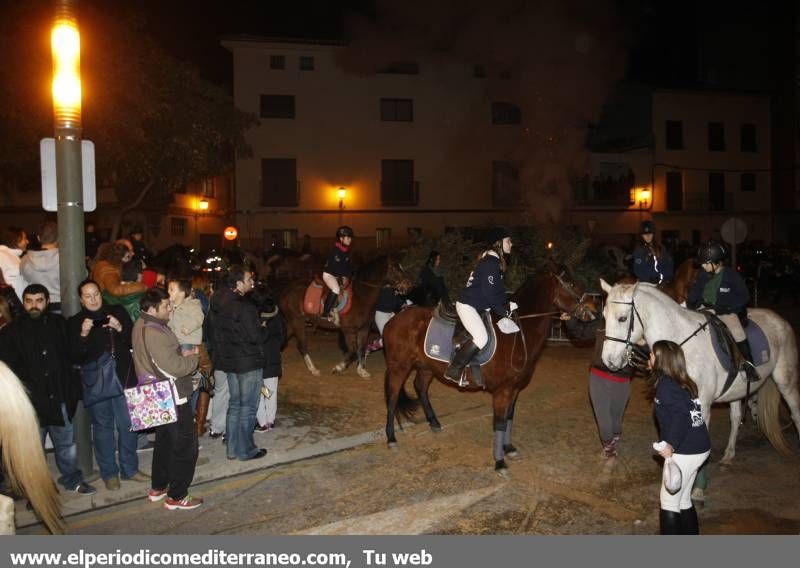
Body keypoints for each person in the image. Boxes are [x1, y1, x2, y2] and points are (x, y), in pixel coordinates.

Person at [0, 284, 96, 495]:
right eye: (29, 300)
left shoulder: (59, 324)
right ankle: (37, 489)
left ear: (47, 301)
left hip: (58, 399)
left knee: (66, 445)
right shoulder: (11, 332)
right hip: (29, 404)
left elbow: (72, 356)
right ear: (23, 302)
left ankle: (71, 479)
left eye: (39, 300)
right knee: (31, 451)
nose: (34, 305)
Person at [68, 279, 147, 491]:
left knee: (128, 424)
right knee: (102, 429)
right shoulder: (75, 321)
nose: (93, 299)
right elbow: (74, 356)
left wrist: (119, 327)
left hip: (122, 376)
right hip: (96, 382)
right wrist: (83, 335)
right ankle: (109, 474)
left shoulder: (117, 310)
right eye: (88, 296)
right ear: (81, 299)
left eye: (96, 294)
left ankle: (130, 469)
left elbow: (132, 341)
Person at [132, 288, 202, 510]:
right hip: (171, 395)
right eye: (166, 306)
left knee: (165, 442)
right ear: (153, 309)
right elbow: (174, 367)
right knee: (186, 446)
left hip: (156, 394)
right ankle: (178, 495)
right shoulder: (154, 332)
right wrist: (193, 359)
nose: (170, 308)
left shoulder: (141, 324)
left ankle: (159, 487)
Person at [648, 340, 711, 535]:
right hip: (699, 447)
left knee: (669, 502)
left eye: (652, 354)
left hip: (685, 450)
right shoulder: (682, 382)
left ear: (661, 360)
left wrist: (670, 445)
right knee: (683, 500)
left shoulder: (667, 386)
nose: (649, 357)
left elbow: (680, 417)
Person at [207, 265, 266, 460]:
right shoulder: (245, 306)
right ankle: (246, 450)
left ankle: (232, 449)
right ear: (239, 283)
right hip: (248, 362)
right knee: (248, 407)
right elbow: (254, 336)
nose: (252, 282)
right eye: (249, 279)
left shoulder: (218, 304)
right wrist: (261, 327)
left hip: (229, 361)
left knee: (234, 405)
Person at [446, 227, 515, 386]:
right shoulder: (491, 262)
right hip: (468, 306)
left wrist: (508, 304)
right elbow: (491, 295)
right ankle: (454, 369)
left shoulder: (493, 261)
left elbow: (498, 291)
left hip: (479, 306)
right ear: (498, 243)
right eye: (508, 241)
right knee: (481, 338)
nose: (511, 244)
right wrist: (504, 312)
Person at [687, 240, 757, 380]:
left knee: (737, 332)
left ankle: (750, 366)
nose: (702, 266)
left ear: (717, 262)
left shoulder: (731, 275)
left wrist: (727, 308)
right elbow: (695, 292)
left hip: (725, 311)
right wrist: (690, 303)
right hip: (704, 309)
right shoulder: (702, 274)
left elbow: (744, 296)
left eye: (706, 263)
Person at [249, 284, 286, 432]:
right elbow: (283, 336)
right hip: (274, 360)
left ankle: (262, 423)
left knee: (260, 392)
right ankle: (270, 421)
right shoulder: (278, 315)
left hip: (259, 362)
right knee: (271, 393)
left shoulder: (254, 318)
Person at [21, 220, 69, 314]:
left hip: (37, 308)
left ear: (38, 238)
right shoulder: (67, 259)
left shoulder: (25, 260)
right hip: (63, 307)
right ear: (59, 238)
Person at [321, 226, 354, 325]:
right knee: (336, 289)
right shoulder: (336, 251)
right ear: (341, 239)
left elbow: (348, 267)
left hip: (338, 275)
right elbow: (337, 269)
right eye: (347, 238)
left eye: (350, 238)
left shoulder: (346, 251)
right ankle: (325, 312)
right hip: (329, 275)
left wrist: (352, 274)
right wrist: (344, 276)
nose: (350, 240)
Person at [368, 280, 411, 352]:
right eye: (405, 290)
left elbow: (398, 302)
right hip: (381, 315)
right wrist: (404, 305)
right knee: (387, 338)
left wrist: (405, 304)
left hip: (390, 313)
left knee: (399, 331)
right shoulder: (388, 291)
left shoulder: (395, 293)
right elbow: (394, 303)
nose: (404, 293)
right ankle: (370, 347)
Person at [632, 220, 674, 286]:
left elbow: (668, 264)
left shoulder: (661, 248)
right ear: (641, 235)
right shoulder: (639, 250)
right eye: (645, 234)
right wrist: (649, 279)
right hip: (646, 284)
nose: (648, 236)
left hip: (662, 283)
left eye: (650, 233)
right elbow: (638, 270)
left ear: (653, 234)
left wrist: (664, 278)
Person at [0, 227, 30, 301]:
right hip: (12, 307)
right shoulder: (6, 257)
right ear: (15, 240)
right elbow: (16, 289)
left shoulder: (11, 255)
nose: (27, 241)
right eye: (25, 238)